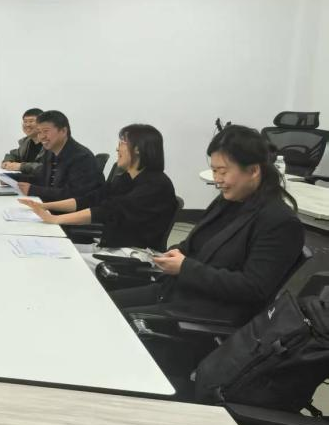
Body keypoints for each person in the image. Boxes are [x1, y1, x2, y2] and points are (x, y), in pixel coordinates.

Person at [111, 125, 305, 326]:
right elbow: (193, 244)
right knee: (102, 305)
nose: (217, 180)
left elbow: (253, 288)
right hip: (176, 293)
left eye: (223, 172)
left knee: (109, 322)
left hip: (204, 316)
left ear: (253, 170)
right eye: (214, 171)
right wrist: (174, 254)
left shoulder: (279, 222)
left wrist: (185, 267)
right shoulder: (229, 201)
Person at [19, 124, 178, 268]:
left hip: (135, 255)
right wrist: (44, 206)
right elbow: (90, 199)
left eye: (122, 143)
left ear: (138, 148)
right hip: (112, 247)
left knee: (54, 261)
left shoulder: (155, 185)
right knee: (49, 250)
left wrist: (55, 219)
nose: (117, 149)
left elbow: (107, 211)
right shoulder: (126, 178)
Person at [17, 110, 103, 202]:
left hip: (73, 209)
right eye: (39, 132)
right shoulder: (50, 152)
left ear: (63, 131)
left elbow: (73, 195)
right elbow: (41, 179)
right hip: (52, 204)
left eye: (46, 131)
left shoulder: (81, 157)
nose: (41, 137)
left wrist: (33, 190)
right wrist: (11, 178)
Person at [0, 108, 46, 176]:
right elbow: (14, 155)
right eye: (25, 121)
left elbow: (46, 168)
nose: (27, 125)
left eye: (31, 121)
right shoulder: (26, 142)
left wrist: (21, 166)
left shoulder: (50, 143)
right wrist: (8, 161)